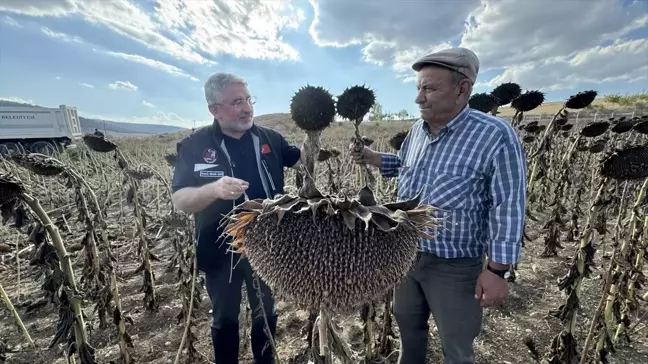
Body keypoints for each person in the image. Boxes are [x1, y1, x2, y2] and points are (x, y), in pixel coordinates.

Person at [349, 47, 526, 364]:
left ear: (462, 89)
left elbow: (508, 204)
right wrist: (375, 159)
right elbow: (407, 167)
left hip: (455, 266)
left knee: (456, 347)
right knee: (409, 332)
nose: (419, 98)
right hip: (406, 256)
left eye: (429, 88)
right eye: (418, 88)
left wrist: (498, 271)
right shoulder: (417, 130)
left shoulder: (495, 135)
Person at [171, 72, 303, 364]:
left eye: (248, 100)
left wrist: (319, 132)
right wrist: (214, 190)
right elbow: (180, 199)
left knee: (266, 315)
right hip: (218, 250)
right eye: (236, 103)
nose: (246, 108)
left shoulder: (270, 139)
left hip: (269, 248)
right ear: (214, 109)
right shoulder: (195, 145)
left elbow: (304, 159)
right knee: (225, 318)